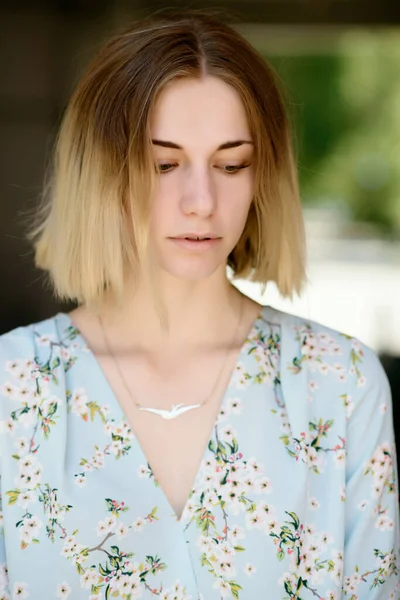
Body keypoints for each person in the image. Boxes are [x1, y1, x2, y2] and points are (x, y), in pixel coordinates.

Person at [0, 10, 398, 600]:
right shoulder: (13, 388)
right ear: (102, 171)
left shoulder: (339, 385)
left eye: (231, 164)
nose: (201, 200)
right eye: (164, 165)